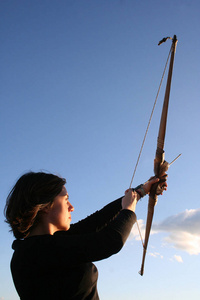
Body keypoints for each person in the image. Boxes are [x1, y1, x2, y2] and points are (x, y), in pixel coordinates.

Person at [4, 171, 167, 300]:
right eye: (65, 199)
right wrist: (128, 209)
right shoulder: (35, 253)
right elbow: (110, 241)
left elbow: (96, 222)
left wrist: (141, 191)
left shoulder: (42, 245)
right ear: (46, 205)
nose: (71, 207)